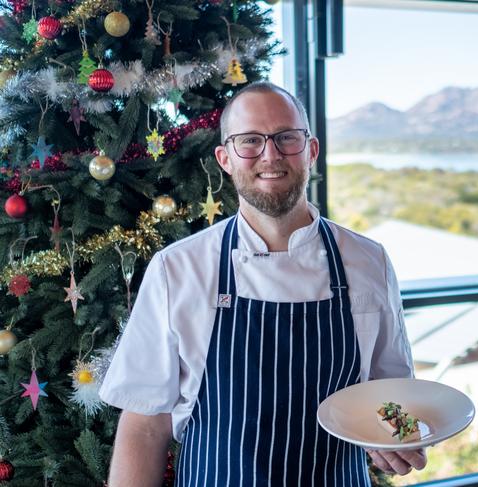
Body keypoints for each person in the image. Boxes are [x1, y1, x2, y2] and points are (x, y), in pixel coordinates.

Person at [99, 81, 427, 486]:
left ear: (311, 150)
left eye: (286, 138)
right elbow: (145, 427)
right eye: (250, 140)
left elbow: (390, 392)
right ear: (225, 158)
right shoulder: (178, 269)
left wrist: (401, 437)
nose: (270, 154)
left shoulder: (368, 260)